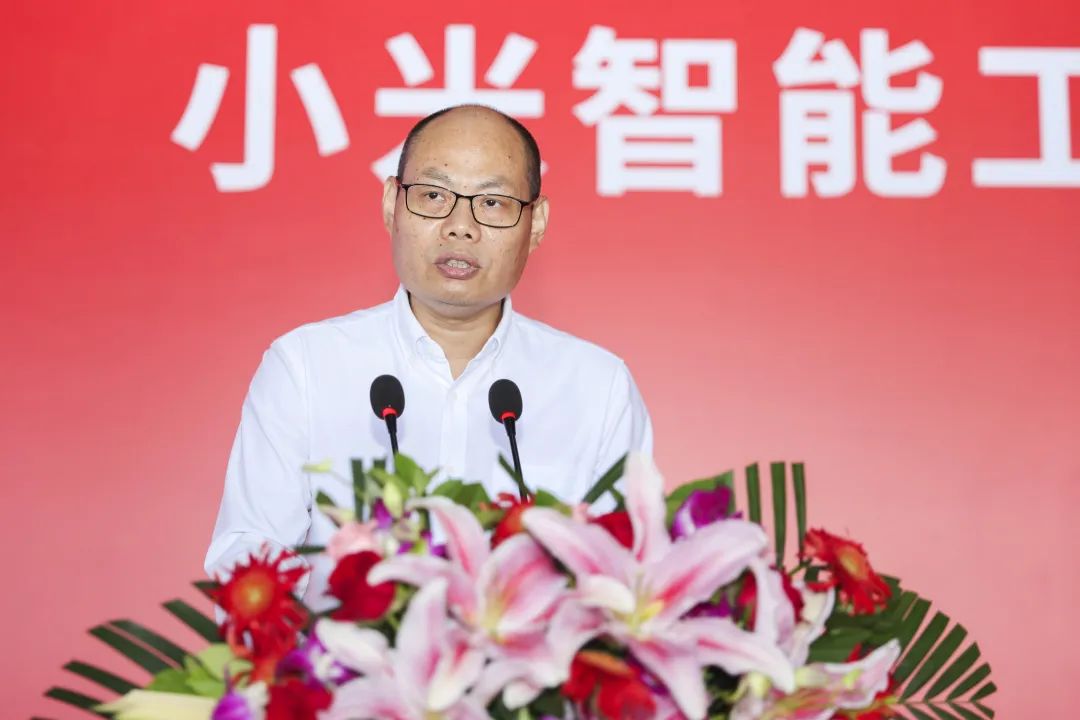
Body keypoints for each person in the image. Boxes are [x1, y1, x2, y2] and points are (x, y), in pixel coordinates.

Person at [205, 105, 652, 608]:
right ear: (391, 204)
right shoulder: (306, 368)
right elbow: (250, 560)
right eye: (434, 196)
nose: (460, 226)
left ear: (537, 222)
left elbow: (625, 576)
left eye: (493, 202)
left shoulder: (598, 387)